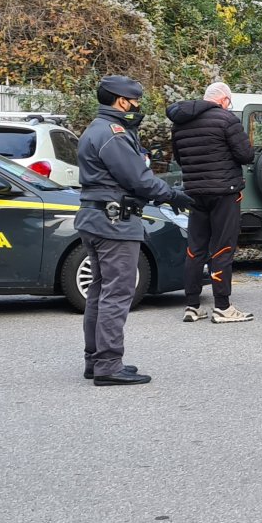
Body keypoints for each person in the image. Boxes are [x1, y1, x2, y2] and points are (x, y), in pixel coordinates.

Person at [75, 75, 195, 386]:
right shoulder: (113, 134)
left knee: (100, 293)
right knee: (116, 294)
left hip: (98, 219)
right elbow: (138, 179)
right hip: (114, 223)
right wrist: (173, 195)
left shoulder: (98, 129)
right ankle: (108, 366)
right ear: (121, 101)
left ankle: (97, 360)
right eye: (135, 100)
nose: (138, 106)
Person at [166, 81, 258, 324]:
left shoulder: (180, 123)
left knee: (194, 249)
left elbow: (179, 157)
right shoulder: (227, 120)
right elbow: (245, 155)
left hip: (194, 192)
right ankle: (222, 306)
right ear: (224, 100)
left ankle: (192, 305)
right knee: (222, 247)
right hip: (224, 192)